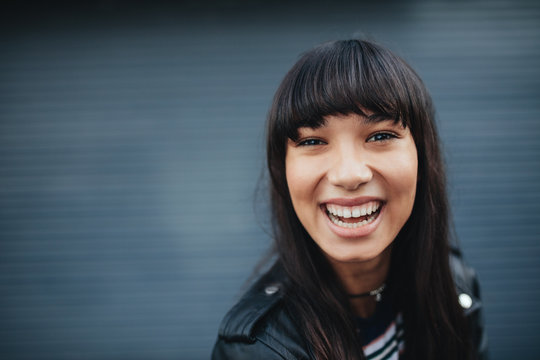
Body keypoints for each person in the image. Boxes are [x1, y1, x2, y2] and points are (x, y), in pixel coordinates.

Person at [211, 39, 488, 360]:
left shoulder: (456, 286)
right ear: (282, 171)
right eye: (313, 140)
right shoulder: (254, 350)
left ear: (422, 158)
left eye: (381, 135)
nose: (349, 174)